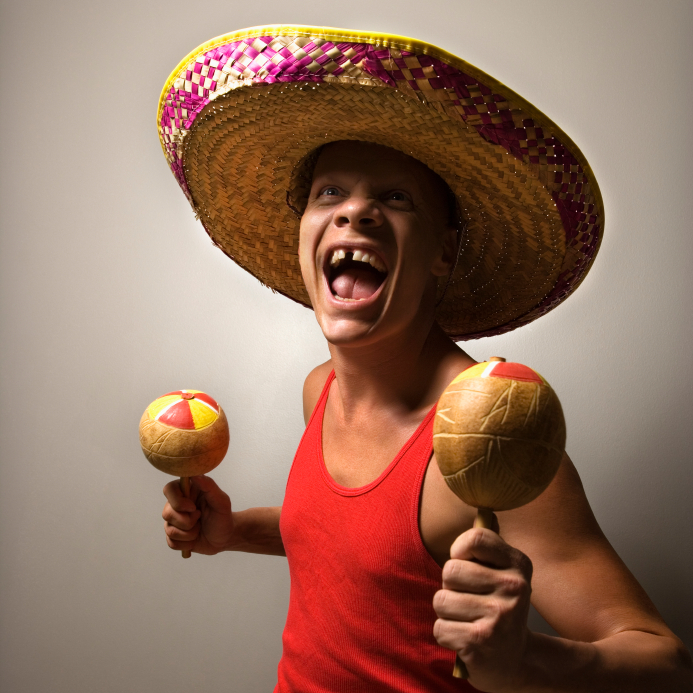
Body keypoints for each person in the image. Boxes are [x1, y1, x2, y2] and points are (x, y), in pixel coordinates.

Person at [156, 26, 693, 692]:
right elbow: (358, 548)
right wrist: (233, 530)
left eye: (395, 197)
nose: (355, 211)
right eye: (330, 193)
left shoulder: (486, 440)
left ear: (442, 251)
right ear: (303, 231)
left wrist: (527, 659)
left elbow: (665, 663)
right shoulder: (320, 388)